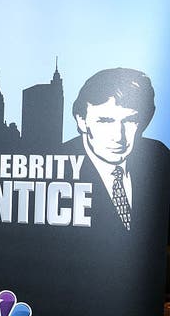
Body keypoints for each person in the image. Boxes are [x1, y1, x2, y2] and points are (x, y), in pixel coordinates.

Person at [59, 67, 169, 315]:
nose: (118, 135)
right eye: (105, 120)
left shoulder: (159, 157)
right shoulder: (58, 164)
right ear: (81, 120)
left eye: (130, 120)